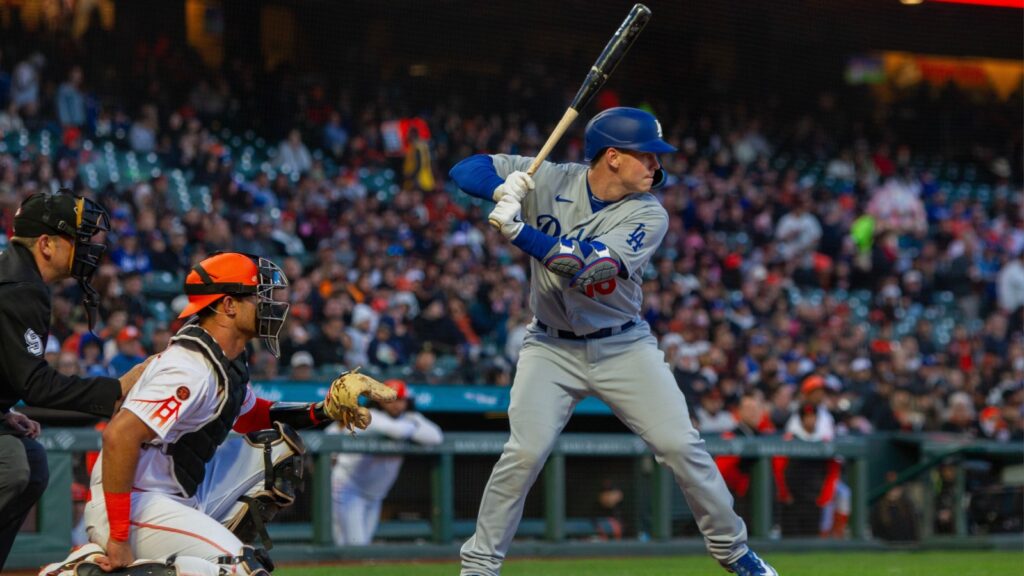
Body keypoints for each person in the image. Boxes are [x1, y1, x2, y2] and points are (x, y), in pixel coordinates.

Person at [448, 107, 778, 576]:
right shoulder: (552, 176)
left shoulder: (649, 212)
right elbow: (465, 169)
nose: (657, 167)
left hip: (623, 346)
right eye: (648, 156)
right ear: (614, 157)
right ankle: (479, 567)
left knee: (682, 447)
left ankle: (734, 552)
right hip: (550, 347)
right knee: (523, 453)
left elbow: (590, 269)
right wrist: (501, 188)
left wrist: (519, 230)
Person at [40, 251, 396, 576]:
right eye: (259, 296)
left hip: (173, 493)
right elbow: (119, 436)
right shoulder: (189, 367)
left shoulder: (226, 359)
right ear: (228, 305)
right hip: (133, 502)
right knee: (240, 568)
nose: (269, 305)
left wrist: (324, 410)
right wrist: (118, 538)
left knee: (275, 453)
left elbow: (252, 414)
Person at [0, 191, 147, 572]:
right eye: (78, 240)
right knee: (16, 464)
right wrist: (115, 389)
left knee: (30, 461)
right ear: (46, 244)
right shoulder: (19, 286)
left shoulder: (17, 275)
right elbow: (36, 383)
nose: (89, 249)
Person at [328, 379, 443, 545]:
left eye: (400, 399)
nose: (396, 404)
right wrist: (413, 427)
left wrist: (410, 424)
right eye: (391, 399)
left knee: (361, 544)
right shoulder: (368, 414)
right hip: (348, 487)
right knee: (354, 544)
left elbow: (436, 436)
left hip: (374, 495)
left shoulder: (410, 417)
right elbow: (396, 430)